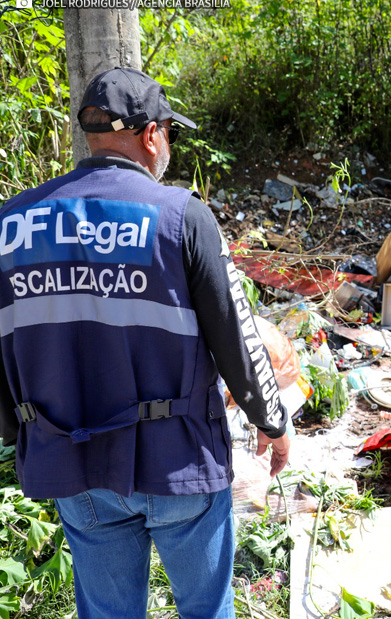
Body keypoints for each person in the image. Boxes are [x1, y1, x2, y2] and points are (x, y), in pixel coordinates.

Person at [0, 67, 291, 619]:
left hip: (71, 460)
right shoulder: (181, 217)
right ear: (151, 135)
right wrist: (271, 421)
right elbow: (238, 336)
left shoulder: (11, 223)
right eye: (168, 136)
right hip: (178, 462)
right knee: (206, 610)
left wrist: (22, 433)